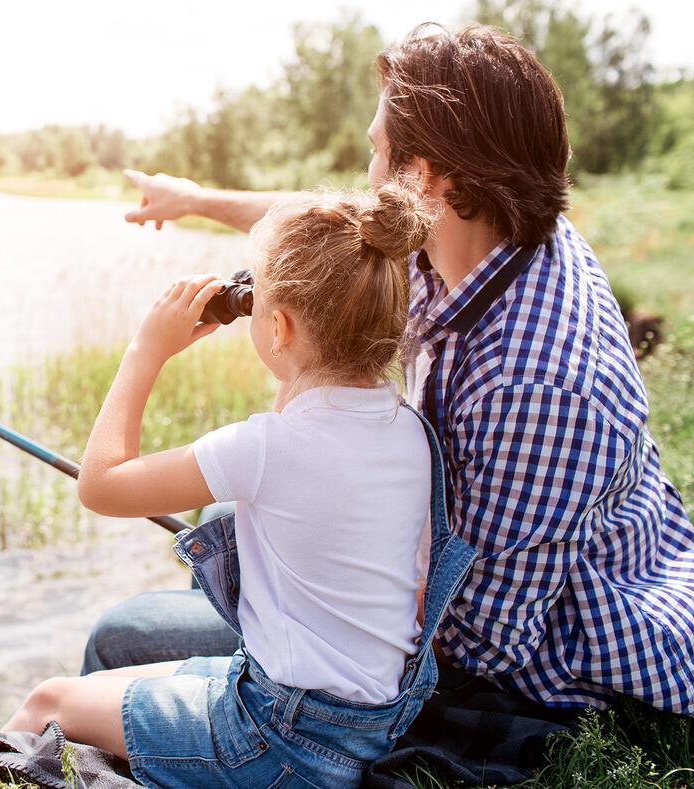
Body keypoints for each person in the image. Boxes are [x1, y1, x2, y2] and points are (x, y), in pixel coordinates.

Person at [84, 22, 694, 717]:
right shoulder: (493, 224)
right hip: (481, 568)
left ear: (426, 176)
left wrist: (310, 585)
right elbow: (326, 223)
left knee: (118, 636)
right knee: (227, 515)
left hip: (556, 658)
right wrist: (193, 199)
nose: (367, 174)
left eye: (376, 152)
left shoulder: (537, 383)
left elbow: (478, 642)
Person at [0, 181, 479, 788]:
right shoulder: (409, 431)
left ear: (279, 330)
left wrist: (145, 350)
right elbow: (322, 405)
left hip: (278, 743)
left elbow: (101, 485)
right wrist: (275, 317)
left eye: (254, 301)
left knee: (51, 702)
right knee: (130, 684)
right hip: (365, 723)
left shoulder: (267, 447)